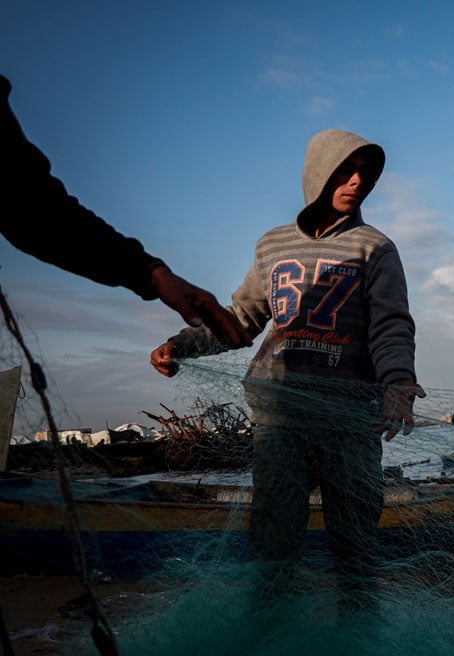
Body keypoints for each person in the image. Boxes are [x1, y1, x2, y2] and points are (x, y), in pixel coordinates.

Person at [149, 128, 425, 605]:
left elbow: (391, 324)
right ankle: (271, 625)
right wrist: (182, 344)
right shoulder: (272, 246)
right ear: (318, 174)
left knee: (355, 536)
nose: (358, 182)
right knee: (275, 537)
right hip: (279, 418)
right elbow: (241, 319)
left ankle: (358, 628)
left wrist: (398, 381)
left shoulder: (375, 247)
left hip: (350, 421)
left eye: (367, 174)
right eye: (344, 170)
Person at [0, 74, 250, 349]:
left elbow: (35, 209)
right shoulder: (272, 249)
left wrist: (152, 273)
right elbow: (34, 208)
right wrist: (181, 343)